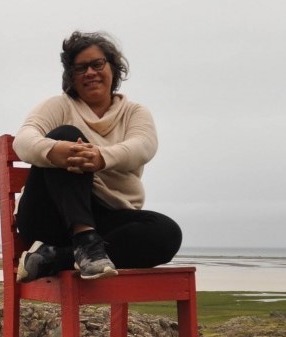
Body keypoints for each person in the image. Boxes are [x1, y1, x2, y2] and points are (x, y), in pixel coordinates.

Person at [13, 31, 182, 282]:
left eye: (97, 64)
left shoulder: (134, 113)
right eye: (80, 68)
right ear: (71, 76)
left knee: (167, 233)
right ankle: (84, 239)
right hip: (49, 218)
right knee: (67, 135)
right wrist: (54, 151)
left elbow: (143, 147)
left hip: (108, 217)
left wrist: (100, 157)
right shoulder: (59, 106)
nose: (90, 73)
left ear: (113, 68)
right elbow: (23, 140)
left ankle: (54, 258)